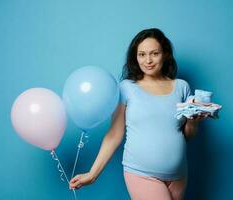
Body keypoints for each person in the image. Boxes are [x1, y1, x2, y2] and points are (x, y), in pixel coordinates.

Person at [69, 28, 208, 200]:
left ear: (164, 54)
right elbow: (114, 135)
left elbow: (187, 135)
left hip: (179, 176)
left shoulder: (182, 87)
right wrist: (93, 174)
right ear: (135, 57)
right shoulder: (126, 88)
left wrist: (193, 121)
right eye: (141, 54)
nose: (148, 60)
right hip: (141, 174)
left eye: (154, 53)